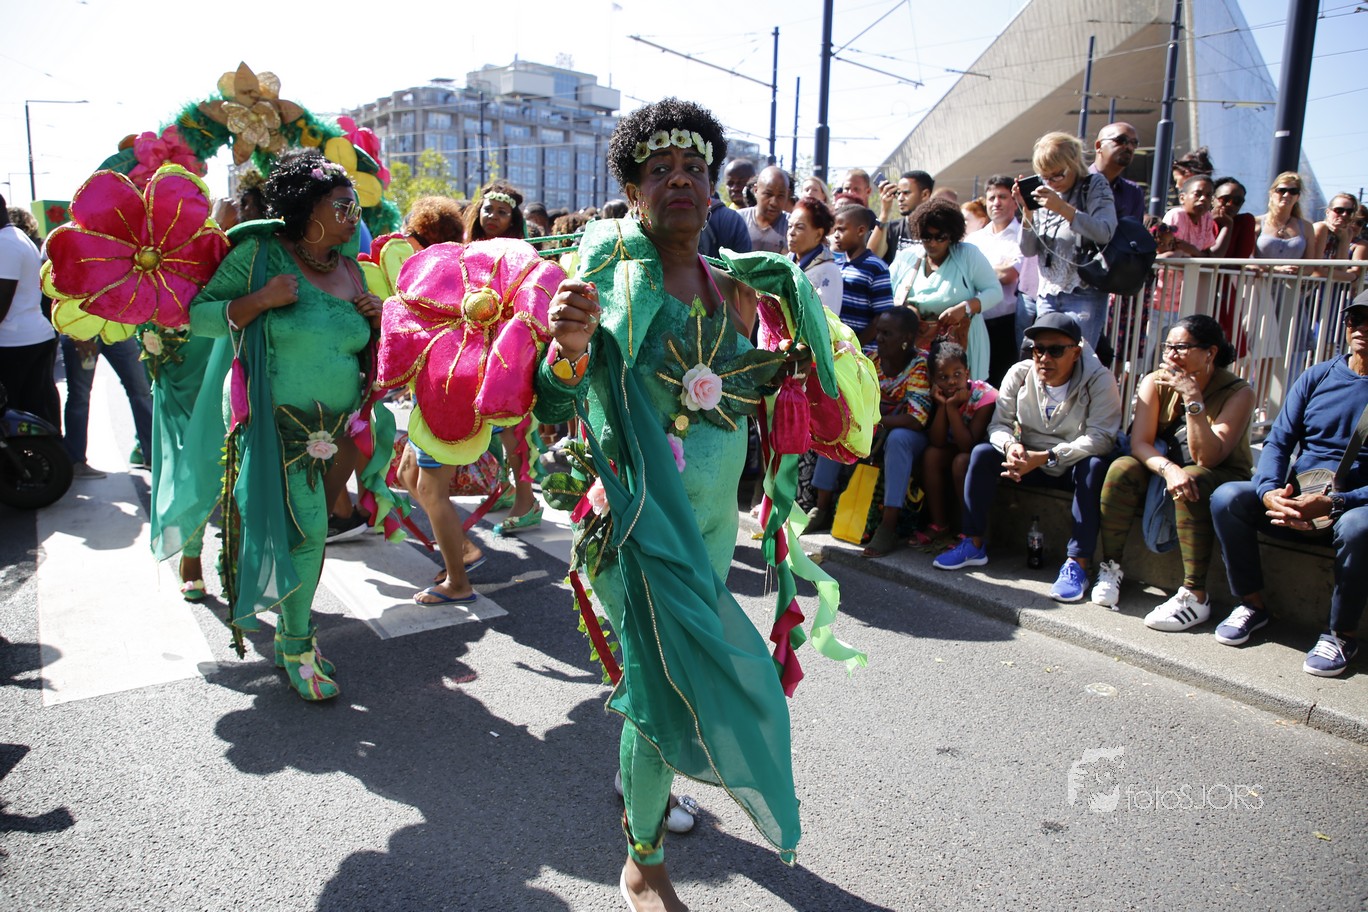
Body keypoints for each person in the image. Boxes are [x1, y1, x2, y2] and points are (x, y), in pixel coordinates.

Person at [533, 98, 813, 911]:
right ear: (631, 191)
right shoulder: (607, 279)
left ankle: (651, 813)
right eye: (660, 169)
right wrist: (568, 348)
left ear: (714, 186)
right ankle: (643, 863)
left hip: (715, 535)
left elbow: (742, 401)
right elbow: (553, 405)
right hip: (635, 530)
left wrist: (795, 376)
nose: (680, 180)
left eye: (694, 167)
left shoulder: (741, 290)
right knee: (661, 692)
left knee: (683, 689)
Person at [189, 150, 388, 700]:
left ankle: (288, 634)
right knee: (310, 531)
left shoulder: (351, 268)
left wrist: (374, 321)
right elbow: (200, 316)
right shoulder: (259, 255)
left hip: (340, 432)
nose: (353, 215)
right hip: (278, 427)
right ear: (307, 207)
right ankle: (299, 646)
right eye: (342, 205)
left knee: (310, 535)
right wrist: (259, 299)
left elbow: (358, 350)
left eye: (355, 205)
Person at [1210, 290, 1368, 677]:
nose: (1362, 328)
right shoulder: (1318, 376)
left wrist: (1338, 502)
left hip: (1351, 506)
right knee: (1228, 496)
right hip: (1295, 500)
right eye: (1356, 319)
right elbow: (1278, 441)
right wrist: (1269, 492)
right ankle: (1251, 604)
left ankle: (1342, 634)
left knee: (1359, 526)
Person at [933, 313, 1122, 604]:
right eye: (1038, 349)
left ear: (1075, 352)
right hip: (1027, 459)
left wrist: (1048, 456)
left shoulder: (1100, 380)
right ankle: (973, 543)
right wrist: (1010, 446)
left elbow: (1101, 438)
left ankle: (1078, 563)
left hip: (1070, 461)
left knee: (1094, 467)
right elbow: (999, 425)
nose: (1044, 358)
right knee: (982, 454)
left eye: (1055, 350)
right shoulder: (1020, 373)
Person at [1091, 315, 1255, 628]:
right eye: (1168, 347)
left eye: (1181, 348)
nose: (1171, 355)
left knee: (1193, 477)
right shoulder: (1155, 381)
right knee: (1122, 468)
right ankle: (1110, 568)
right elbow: (1140, 443)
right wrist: (1168, 470)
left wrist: (1193, 398)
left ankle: (1195, 595)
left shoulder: (1238, 392)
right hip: (1168, 465)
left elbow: (1207, 457)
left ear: (1210, 352)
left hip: (1221, 474)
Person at [804, 308, 931, 557]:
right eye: (878, 332)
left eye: (887, 333)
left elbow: (916, 419)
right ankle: (821, 508)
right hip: (876, 425)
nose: (879, 338)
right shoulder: (870, 359)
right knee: (838, 425)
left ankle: (889, 526)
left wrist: (875, 419)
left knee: (898, 440)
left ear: (906, 338)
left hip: (908, 434)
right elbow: (852, 401)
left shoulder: (919, 365)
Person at [466, 180, 543, 534]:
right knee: (486, 424)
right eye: (488, 209)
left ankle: (527, 501)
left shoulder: (521, 252)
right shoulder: (467, 249)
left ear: (513, 219)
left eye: (502, 212)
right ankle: (503, 487)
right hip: (476, 348)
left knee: (513, 427)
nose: (493, 216)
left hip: (510, 349)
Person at [1016, 131, 1117, 351]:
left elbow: (1104, 231)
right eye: (1045, 177)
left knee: (1078, 359)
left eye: (1057, 175)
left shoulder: (1094, 184)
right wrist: (1027, 211)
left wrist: (1062, 208)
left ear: (1073, 163)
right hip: (1047, 293)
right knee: (1045, 358)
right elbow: (1028, 250)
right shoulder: (1043, 193)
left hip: (1084, 291)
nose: (1051, 182)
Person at [889, 198, 1002, 379]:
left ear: (951, 235)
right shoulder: (906, 257)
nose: (933, 243)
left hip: (961, 345)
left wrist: (965, 308)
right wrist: (907, 310)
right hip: (916, 346)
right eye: (926, 237)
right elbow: (887, 294)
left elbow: (995, 292)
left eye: (940, 237)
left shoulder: (968, 255)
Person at [920, 340, 996, 548]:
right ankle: (939, 524)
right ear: (933, 380)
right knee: (932, 455)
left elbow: (967, 446)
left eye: (957, 374)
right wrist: (943, 406)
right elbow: (937, 441)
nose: (951, 382)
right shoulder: (939, 396)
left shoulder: (985, 396)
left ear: (967, 373)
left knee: (961, 461)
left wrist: (952, 408)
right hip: (956, 446)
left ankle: (970, 530)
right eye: (943, 377)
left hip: (981, 452)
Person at [0, 196, 60, 428]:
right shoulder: (15, 238)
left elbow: (3, 299)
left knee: (19, 418)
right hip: (29, 337)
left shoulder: (6, 243)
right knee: (37, 411)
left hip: (15, 343)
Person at [966, 176, 1029, 386]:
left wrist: (979, 273)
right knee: (976, 384)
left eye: (1003, 197)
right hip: (976, 323)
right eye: (992, 198)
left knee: (1004, 385)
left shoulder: (1024, 236)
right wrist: (994, 271)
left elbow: (1009, 275)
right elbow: (966, 275)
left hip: (1007, 325)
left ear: (1014, 201)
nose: (996, 203)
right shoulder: (974, 239)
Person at [831, 204, 893, 344]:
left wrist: (857, 344)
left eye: (841, 229)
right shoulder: (835, 264)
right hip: (836, 344)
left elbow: (881, 315)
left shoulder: (876, 267)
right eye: (835, 230)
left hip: (862, 348)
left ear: (860, 230)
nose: (836, 235)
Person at [786, 197, 842, 315]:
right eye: (790, 226)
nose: (791, 232)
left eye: (799, 227)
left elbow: (826, 318)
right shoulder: (784, 264)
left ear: (818, 234)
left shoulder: (828, 271)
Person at [871, 170, 933, 264]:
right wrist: (884, 214)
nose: (900, 199)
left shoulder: (939, 229)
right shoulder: (892, 228)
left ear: (925, 195)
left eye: (906, 193)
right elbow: (872, 258)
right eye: (899, 193)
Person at [1090, 123, 1145, 222]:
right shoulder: (1075, 182)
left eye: (1134, 143)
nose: (1129, 147)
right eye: (1121, 140)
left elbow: (1133, 230)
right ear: (1099, 146)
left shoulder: (1133, 192)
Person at [1312, 192, 1366, 282]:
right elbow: (1316, 270)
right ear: (1328, 212)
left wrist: (1344, 240)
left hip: (1325, 285)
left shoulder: (1347, 232)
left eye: (1349, 212)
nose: (1344, 214)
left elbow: (1341, 269)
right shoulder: (1321, 228)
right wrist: (1353, 277)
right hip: (1303, 284)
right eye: (1339, 210)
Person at [738, 166, 790, 254]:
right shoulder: (738, 220)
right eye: (768, 194)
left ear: (787, 194)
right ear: (756, 190)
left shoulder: (792, 226)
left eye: (780, 196)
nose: (774, 202)